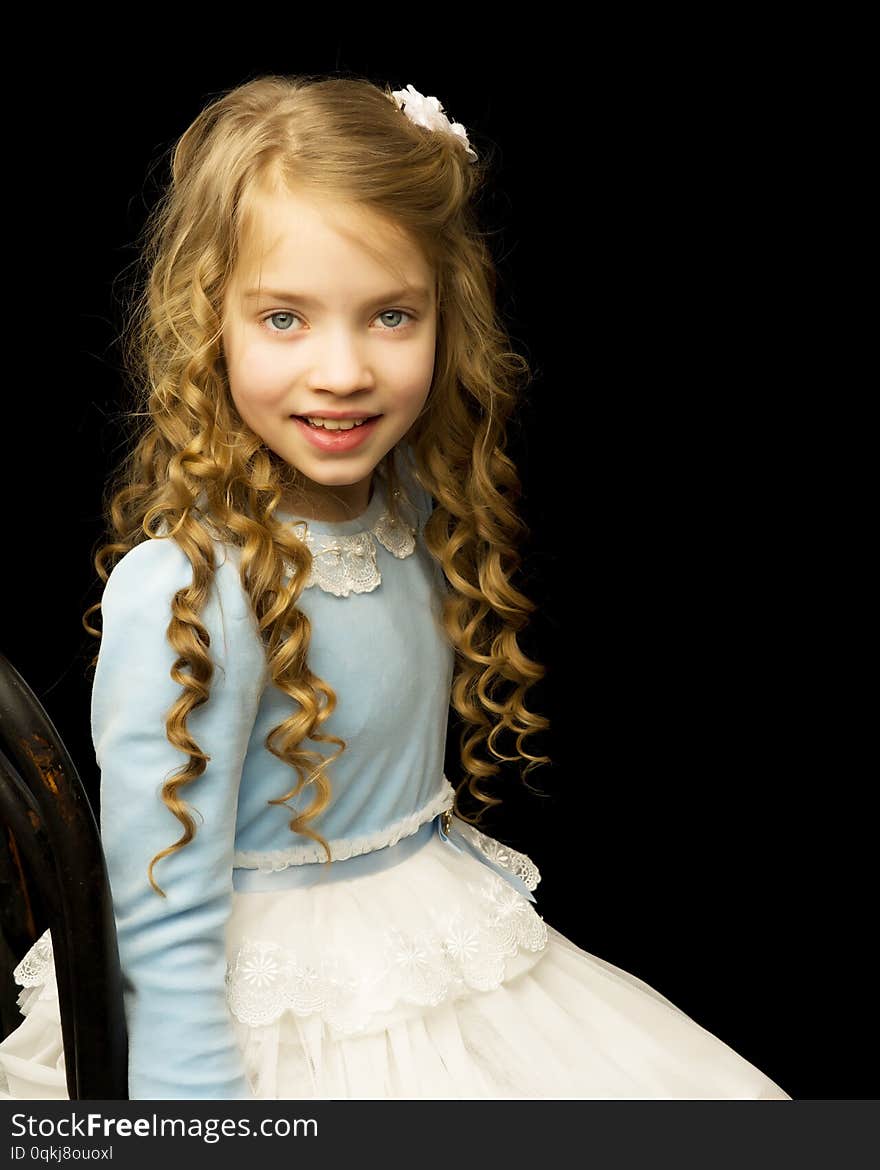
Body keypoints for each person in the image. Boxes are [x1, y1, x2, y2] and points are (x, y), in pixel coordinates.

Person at [0, 73, 791, 1101]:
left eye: (389, 316)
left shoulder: (411, 509)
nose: (342, 370)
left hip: (434, 947)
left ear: (443, 314)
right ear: (211, 327)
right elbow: (163, 910)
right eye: (285, 319)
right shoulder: (193, 590)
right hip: (281, 1018)